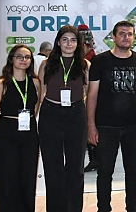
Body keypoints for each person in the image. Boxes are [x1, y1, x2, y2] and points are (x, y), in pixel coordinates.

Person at [86, 20, 136, 212]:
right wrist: (91, 125)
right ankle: (103, 209)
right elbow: (91, 96)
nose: (126, 37)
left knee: (132, 171)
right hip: (106, 127)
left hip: (133, 125)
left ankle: (132, 208)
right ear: (113, 37)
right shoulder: (100, 62)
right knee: (105, 172)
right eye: (122, 34)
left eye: (130, 34)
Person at [38, 25, 90, 212]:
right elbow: (41, 93)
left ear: (78, 43)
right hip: (50, 114)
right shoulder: (46, 64)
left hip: (76, 115)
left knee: (75, 168)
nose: (69, 44)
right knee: (53, 167)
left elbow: (87, 93)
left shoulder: (85, 65)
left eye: (73, 40)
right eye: (65, 40)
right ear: (58, 42)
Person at [0, 44, 41, 212]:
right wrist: (4, 131)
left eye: (27, 57)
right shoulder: (2, 84)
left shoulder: (36, 82)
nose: (23, 60)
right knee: (7, 181)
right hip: (7, 137)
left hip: (29, 135)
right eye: (19, 56)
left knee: (27, 179)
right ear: (11, 59)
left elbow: (36, 107)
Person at [78, 24, 99, 173]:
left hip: (89, 98)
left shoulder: (90, 61)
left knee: (90, 129)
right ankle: (94, 159)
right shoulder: (91, 57)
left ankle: (95, 160)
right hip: (85, 98)